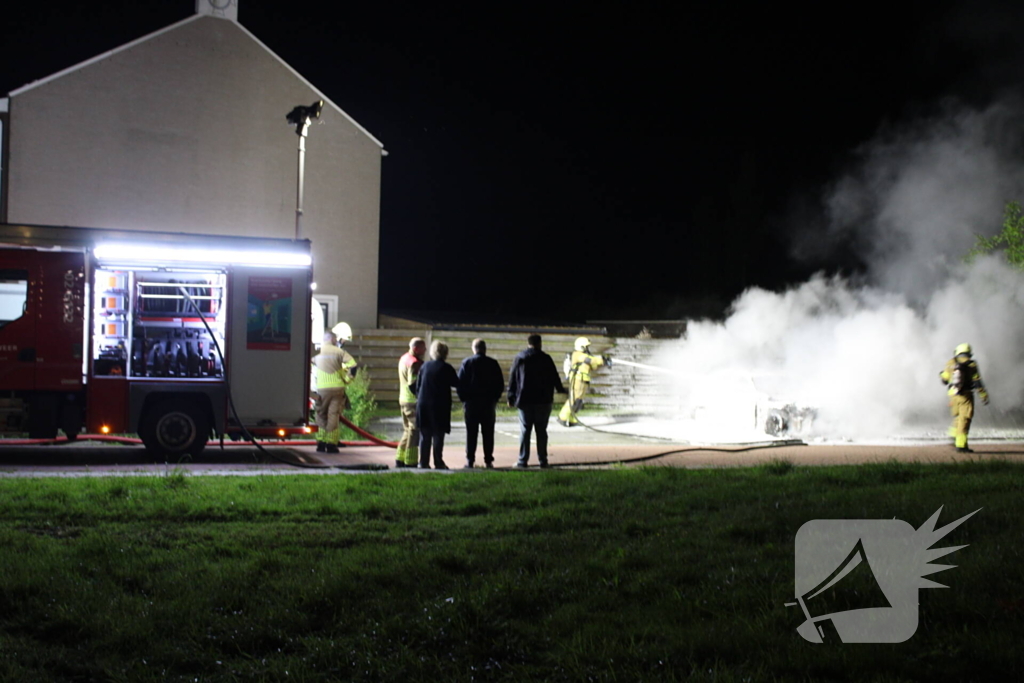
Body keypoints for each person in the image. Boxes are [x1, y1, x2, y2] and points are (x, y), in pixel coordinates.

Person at [507, 334, 567, 468]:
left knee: (525, 430)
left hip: (525, 399)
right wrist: (561, 390)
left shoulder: (520, 357)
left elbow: (513, 378)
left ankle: (522, 461)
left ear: (528, 343)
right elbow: (554, 377)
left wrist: (511, 397)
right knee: (541, 431)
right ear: (540, 343)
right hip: (543, 399)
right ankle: (543, 460)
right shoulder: (546, 358)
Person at [457, 338, 505, 468]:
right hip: (488, 403)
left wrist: (464, 399)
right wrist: (495, 399)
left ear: (474, 349)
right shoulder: (493, 363)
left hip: (471, 403)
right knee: (488, 433)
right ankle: (488, 460)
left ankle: (470, 459)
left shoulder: (466, 363)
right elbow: (500, 384)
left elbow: (460, 384)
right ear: (485, 348)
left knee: (471, 433)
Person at [415, 340, 459, 470]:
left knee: (425, 435)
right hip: (440, 405)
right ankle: (438, 462)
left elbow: (418, 387)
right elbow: (457, 383)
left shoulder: (424, 366)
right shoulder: (447, 368)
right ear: (445, 353)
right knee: (438, 435)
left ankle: (423, 462)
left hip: (423, 404)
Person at [939, 342, 989, 453]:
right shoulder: (971, 365)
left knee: (957, 417)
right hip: (965, 395)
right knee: (965, 418)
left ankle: (953, 435)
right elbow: (977, 382)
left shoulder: (950, 363)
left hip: (952, 395)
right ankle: (961, 445)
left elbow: (944, 380)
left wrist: (941, 374)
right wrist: (984, 395)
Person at [311, 330, 356, 453]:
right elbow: (353, 365)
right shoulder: (339, 352)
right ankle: (331, 444)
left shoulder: (316, 352)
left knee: (320, 415)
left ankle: (321, 443)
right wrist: (347, 380)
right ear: (332, 339)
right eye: (335, 339)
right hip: (337, 388)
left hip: (321, 390)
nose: (337, 342)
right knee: (333, 416)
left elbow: (308, 366)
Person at [557, 336, 611, 427]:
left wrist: (603, 360)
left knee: (579, 401)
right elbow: (590, 360)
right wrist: (602, 360)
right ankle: (562, 417)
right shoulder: (577, 354)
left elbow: (593, 364)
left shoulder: (584, 355)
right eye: (586, 347)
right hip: (577, 379)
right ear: (581, 347)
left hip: (583, 380)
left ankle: (571, 418)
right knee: (574, 399)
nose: (587, 349)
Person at [396, 337, 426, 468]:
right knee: (414, 432)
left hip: (403, 399)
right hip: (412, 402)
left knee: (407, 431)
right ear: (416, 349)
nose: (425, 350)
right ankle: (410, 461)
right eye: (423, 347)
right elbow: (413, 383)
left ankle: (399, 458)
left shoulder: (404, 358)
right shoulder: (415, 363)